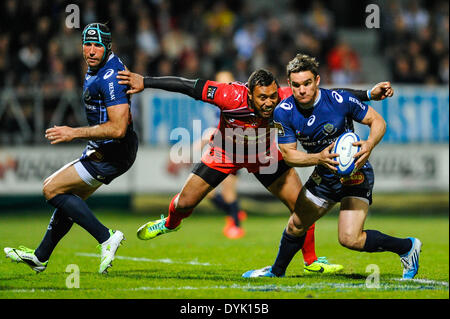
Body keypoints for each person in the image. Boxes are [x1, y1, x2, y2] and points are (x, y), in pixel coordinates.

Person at [116, 67, 393, 274]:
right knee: (185, 202)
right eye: (262, 98)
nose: (269, 103)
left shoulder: (284, 96)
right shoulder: (227, 94)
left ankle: (311, 261)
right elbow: (188, 86)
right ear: (249, 93)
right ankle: (169, 224)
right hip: (225, 152)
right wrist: (146, 82)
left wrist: (368, 94)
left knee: (302, 205)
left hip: (264, 155)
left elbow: (331, 96)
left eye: (273, 96)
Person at [243, 53, 421, 279]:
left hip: (355, 173)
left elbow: (378, 121)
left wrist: (369, 144)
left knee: (350, 239)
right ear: (289, 85)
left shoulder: (339, 100)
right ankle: (276, 272)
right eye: (296, 85)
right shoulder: (283, 112)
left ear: (317, 80)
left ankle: (407, 247)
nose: (302, 90)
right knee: (296, 224)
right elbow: (289, 155)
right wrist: (319, 158)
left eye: (307, 83)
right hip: (324, 175)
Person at [4, 23, 138, 274]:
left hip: (111, 151)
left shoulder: (110, 76)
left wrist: (73, 132)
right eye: (87, 44)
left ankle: (106, 237)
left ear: (107, 47)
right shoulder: (99, 66)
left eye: (97, 45)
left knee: (51, 188)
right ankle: (40, 257)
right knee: (69, 201)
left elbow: (118, 128)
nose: (91, 50)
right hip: (108, 149)